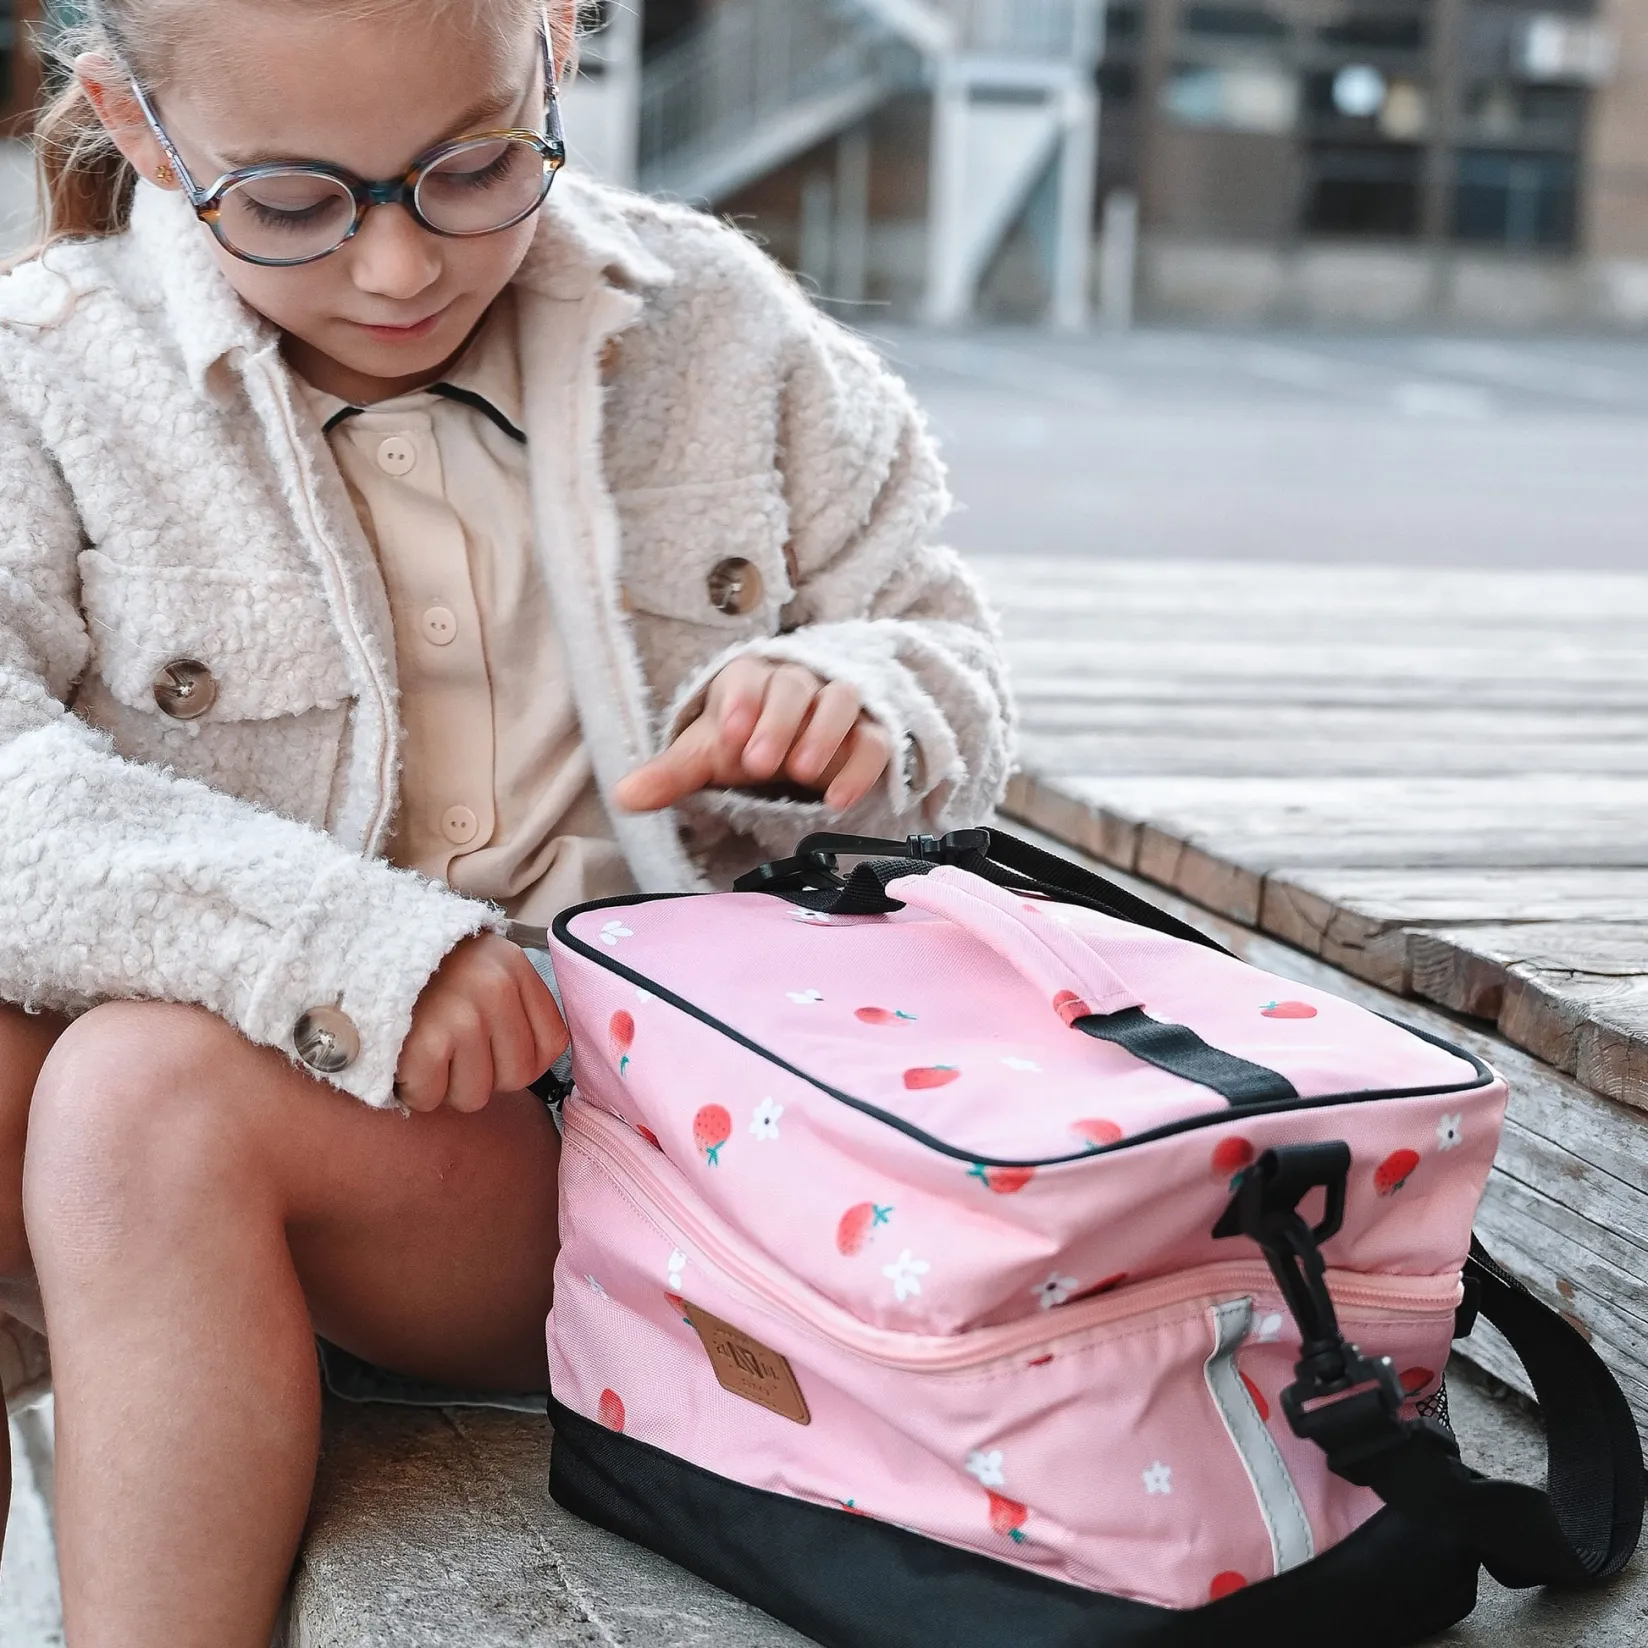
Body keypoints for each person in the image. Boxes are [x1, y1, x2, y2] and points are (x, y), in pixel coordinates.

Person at [0, 0, 1011, 1637]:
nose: (399, 269)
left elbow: (941, 642)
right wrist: (361, 954)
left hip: (636, 1158)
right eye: (292, 202)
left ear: (556, 45)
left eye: (471, 166)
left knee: (145, 1089)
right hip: (250, 1120)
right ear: (133, 124)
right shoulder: (50, 368)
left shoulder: (721, 327)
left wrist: (860, 695)